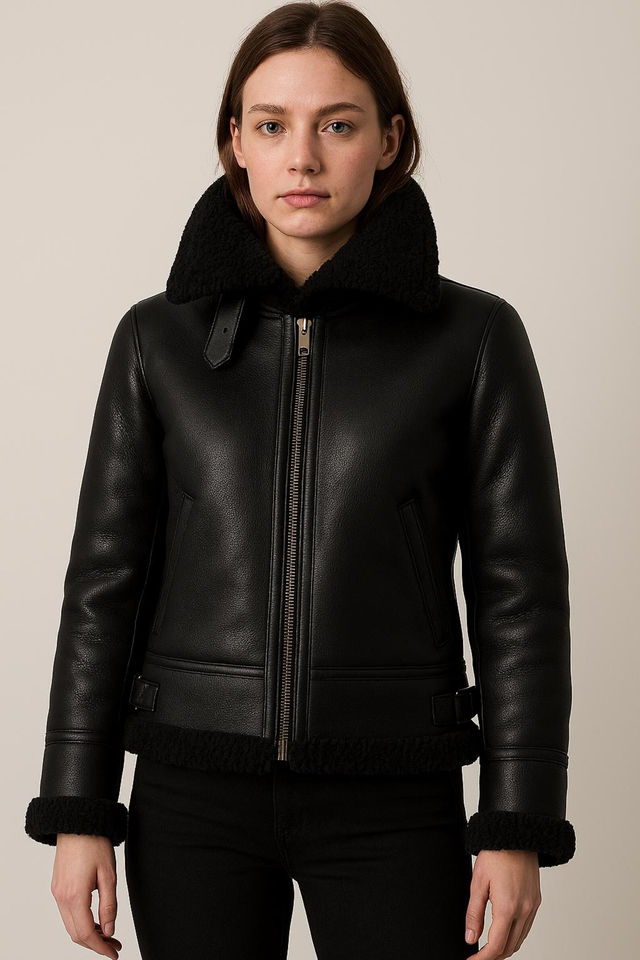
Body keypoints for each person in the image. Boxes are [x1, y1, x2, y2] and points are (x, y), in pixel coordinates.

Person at [24, 3, 575, 958]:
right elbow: (104, 581)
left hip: (394, 794)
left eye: (338, 124)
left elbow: (519, 594)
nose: (303, 158)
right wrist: (79, 807)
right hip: (192, 797)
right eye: (273, 124)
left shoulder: (473, 338)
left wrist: (516, 819)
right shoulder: (158, 338)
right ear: (235, 141)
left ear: (389, 140)